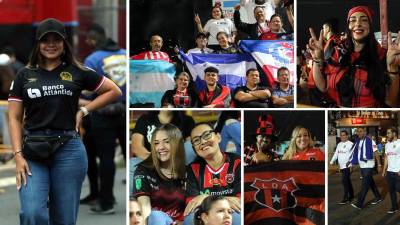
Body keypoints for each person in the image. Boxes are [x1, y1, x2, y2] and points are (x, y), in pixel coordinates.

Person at [8, 18, 121, 225]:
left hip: (69, 150)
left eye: (56, 40)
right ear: (37, 44)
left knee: (64, 220)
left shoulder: (77, 70)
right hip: (33, 151)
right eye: (45, 40)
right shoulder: (24, 74)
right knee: (32, 213)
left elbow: (114, 91)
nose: (50, 45)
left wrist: (84, 110)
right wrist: (17, 156)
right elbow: (14, 117)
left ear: (64, 43)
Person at [307, 6, 400, 107]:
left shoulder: (381, 55)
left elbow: (390, 102)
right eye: (352, 20)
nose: (358, 24)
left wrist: (393, 67)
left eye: (364, 20)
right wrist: (317, 59)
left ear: (370, 26)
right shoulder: (336, 52)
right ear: (348, 26)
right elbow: (323, 86)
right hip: (340, 115)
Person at [80, 23, 127, 214]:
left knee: (106, 159)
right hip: (124, 110)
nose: (87, 42)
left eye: (89, 39)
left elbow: (88, 92)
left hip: (102, 113)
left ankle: (106, 202)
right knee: (131, 157)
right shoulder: (125, 54)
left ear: (94, 39)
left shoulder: (92, 60)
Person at [184, 123, 241, 225]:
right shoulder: (192, 169)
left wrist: (205, 197)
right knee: (190, 219)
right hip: (206, 215)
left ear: (218, 137)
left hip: (232, 214)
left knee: (237, 216)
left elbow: (239, 201)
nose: (203, 142)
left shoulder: (237, 162)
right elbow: (192, 204)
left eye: (206, 135)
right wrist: (227, 200)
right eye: (196, 140)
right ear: (194, 149)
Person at [132, 124, 186, 224]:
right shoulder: (142, 170)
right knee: (156, 216)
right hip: (156, 222)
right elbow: (145, 211)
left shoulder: (188, 171)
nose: (160, 147)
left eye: (166, 142)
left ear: (177, 144)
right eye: (156, 143)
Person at [349, 127, 382, 209]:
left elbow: (376, 152)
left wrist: (379, 164)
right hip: (362, 166)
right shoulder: (358, 142)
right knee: (370, 182)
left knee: (364, 185)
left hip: (369, 165)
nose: (359, 133)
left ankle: (359, 204)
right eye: (358, 132)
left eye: (360, 131)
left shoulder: (370, 141)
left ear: (364, 132)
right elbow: (356, 153)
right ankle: (378, 197)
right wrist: (351, 162)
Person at [329, 130, 354, 204]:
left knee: (344, 181)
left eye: (344, 135)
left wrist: (351, 165)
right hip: (342, 167)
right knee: (347, 181)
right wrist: (331, 161)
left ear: (347, 136)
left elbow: (353, 156)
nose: (342, 136)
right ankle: (351, 195)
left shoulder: (351, 144)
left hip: (347, 166)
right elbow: (336, 154)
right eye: (341, 135)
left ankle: (346, 197)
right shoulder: (339, 144)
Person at [382, 127, 400, 214]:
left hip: (398, 171)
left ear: (394, 133)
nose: (387, 135)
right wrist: (384, 170)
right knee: (392, 190)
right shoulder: (387, 144)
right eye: (387, 133)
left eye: (389, 133)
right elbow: (386, 157)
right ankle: (394, 207)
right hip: (389, 172)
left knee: (398, 188)